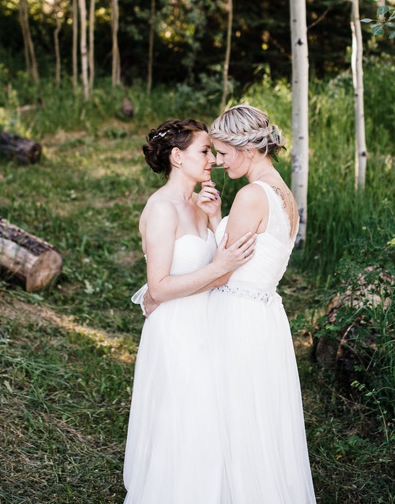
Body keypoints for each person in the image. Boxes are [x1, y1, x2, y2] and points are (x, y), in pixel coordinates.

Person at [123, 118, 256, 504]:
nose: (212, 158)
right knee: (186, 417)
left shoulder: (197, 204)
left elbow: (216, 275)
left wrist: (215, 220)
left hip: (208, 323)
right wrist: (218, 267)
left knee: (210, 417)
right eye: (204, 151)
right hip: (177, 330)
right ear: (178, 158)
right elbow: (160, 287)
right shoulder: (161, 209)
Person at [206, 104, 317, 503]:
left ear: (247, 149)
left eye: (222, 152)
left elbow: (220, 271)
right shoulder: (283, 194)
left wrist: (165, 291)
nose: (217, 161)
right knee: (258, 420)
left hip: (235, 316)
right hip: (264, 314)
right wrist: (218, 216)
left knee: (232, 417)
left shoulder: (252, 195)